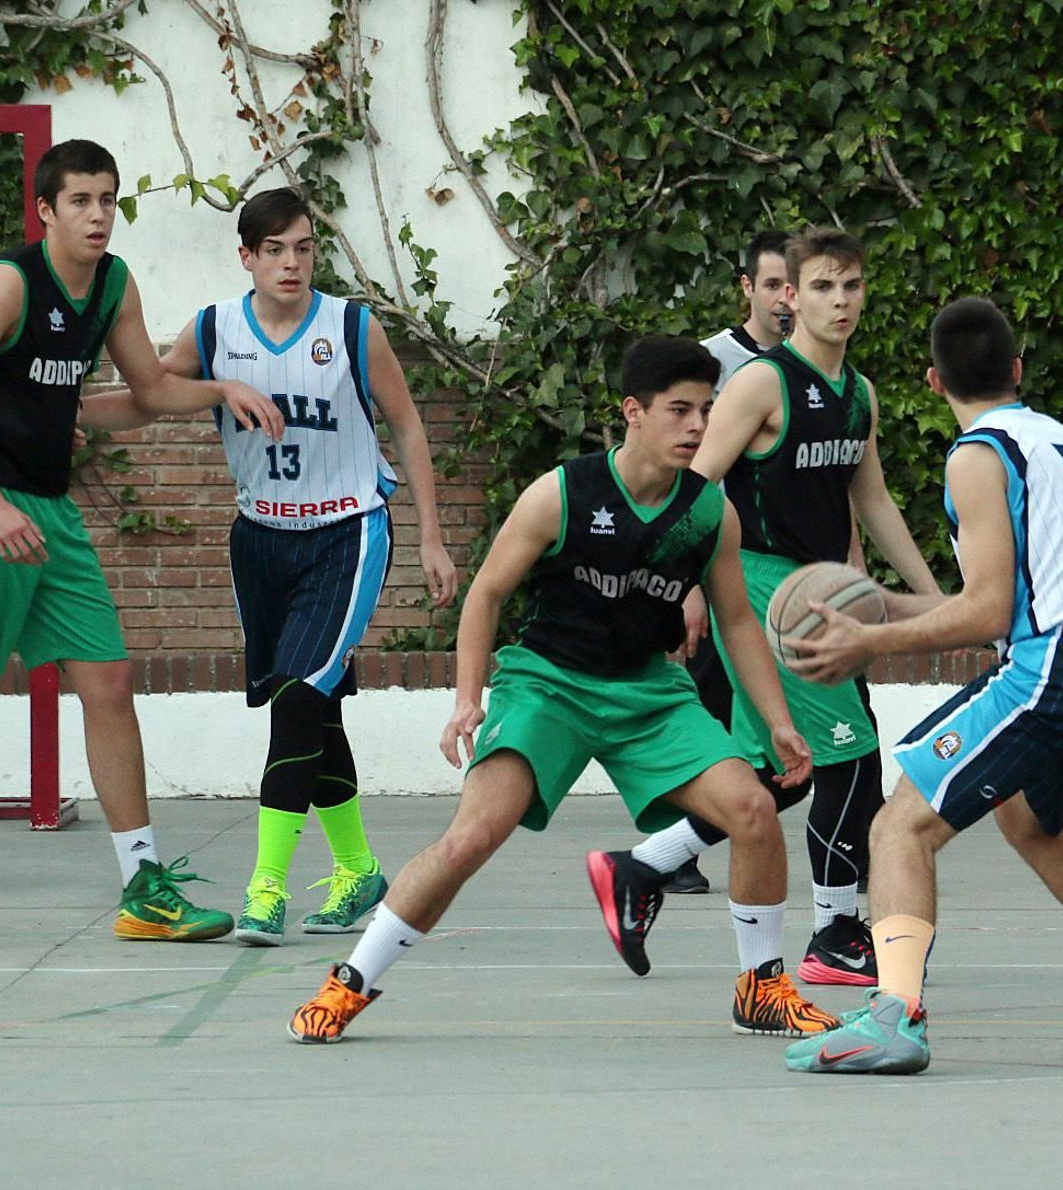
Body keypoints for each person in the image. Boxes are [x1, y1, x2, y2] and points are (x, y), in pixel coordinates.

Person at [285, 336, 839, 1044]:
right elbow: (484, 594)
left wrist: (778, 721)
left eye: (707, 410)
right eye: (680, 411)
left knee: (754, 810)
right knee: (471, 838)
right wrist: (466, 698)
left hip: (648, 693)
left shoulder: (708, 514)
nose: (698, 427)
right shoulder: (563, 493)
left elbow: (734, 619)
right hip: (548, 684)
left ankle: (762, 988)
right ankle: (352, 980)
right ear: (633, 412)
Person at [784, 296, 1063, 1074]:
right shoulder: (1054, 440)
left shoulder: (977, 454)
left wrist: (870, 640)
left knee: (899, 826)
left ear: (931, 381)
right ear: (1016, 371)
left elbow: (988, 610)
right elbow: (1002, 609)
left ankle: (895, 1016)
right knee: (1027, 817)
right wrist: (885, 604)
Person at [0, 139, 284, 949]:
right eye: (82, 202)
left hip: (47, 507)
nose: (98, 215)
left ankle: (145, 889)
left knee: (107, 677)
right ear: (47, 211)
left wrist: (221, 388)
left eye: (108, 199)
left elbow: (148, 391)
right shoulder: (8, 283)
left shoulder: (115, 285)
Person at [85, 187, 458, 945]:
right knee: (315, 706)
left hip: (347, 533)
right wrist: (67, 411)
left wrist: (431, 536)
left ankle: (266, 889)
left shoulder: (352, 328)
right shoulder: (217, 330)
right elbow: (151, 396)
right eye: (276, 250)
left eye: (304, 248)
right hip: (260, 538)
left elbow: (409, 425)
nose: (292, 263)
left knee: (295, 696)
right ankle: (358, 871)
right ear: (247, 257)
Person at [590, 227, 941, 989]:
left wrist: (940, 597)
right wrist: (681, 586)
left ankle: (642, 867)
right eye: (820, 287)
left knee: (783, 772)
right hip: (765, 588)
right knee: (853, 756)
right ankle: (834, 932)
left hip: (818, 587)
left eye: (850, 287)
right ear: (789, 295)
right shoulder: (760, 384)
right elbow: (696, 485)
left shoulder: (860, 395)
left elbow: (872, 500)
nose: (838, 301)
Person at [659, 230, 793, 896]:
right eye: (771, 285)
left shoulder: (819, 365)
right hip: (720, 568)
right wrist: (684, 579)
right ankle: (673, 844)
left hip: (786, 575)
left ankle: (853, 834)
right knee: (708, 704)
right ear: (748, 288)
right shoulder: (713, 363)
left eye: (793, 283)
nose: (784, 298)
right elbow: (686, 475)